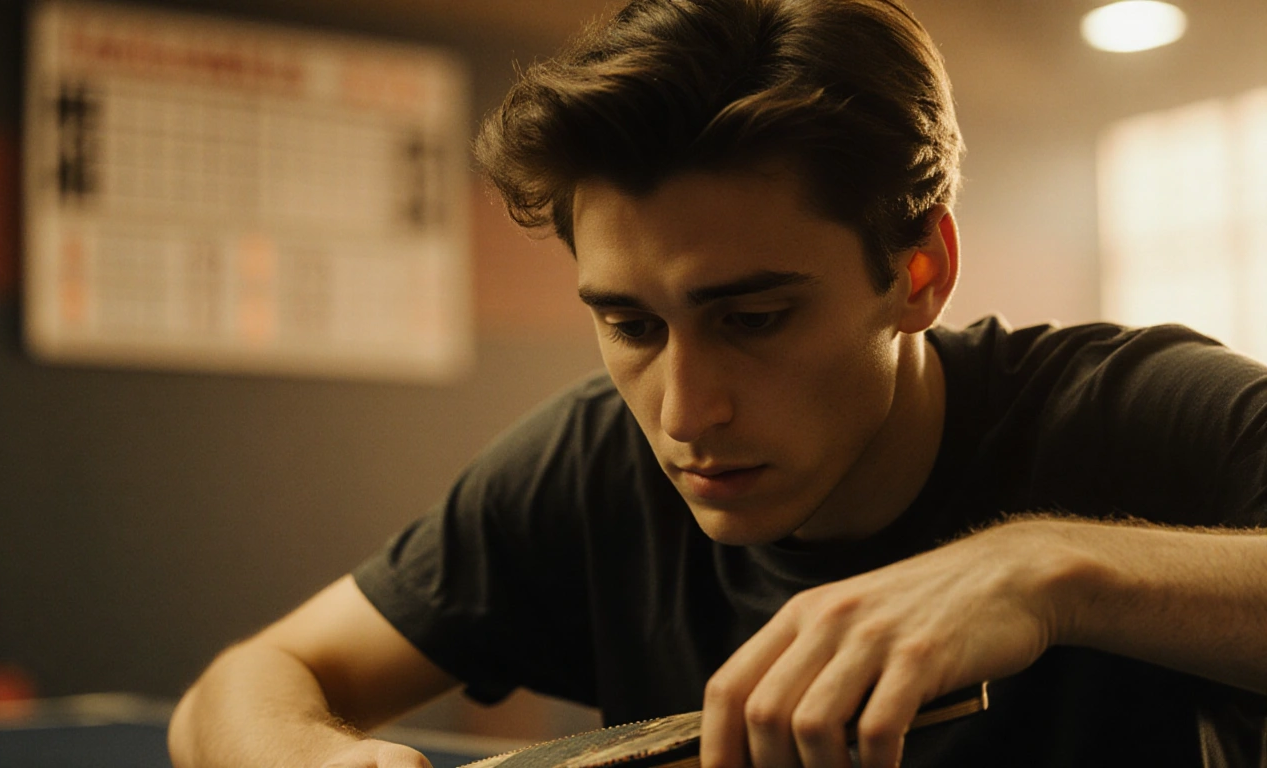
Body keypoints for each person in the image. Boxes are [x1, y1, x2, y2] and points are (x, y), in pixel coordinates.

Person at [167, 0, 1267, 766]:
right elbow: (244, 683)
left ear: (919, 272)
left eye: (754, 320)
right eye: (630, 325)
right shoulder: (588, 466)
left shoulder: (1129, 411)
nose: (685, 414)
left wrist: (1046, 574)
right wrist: (311, 758)